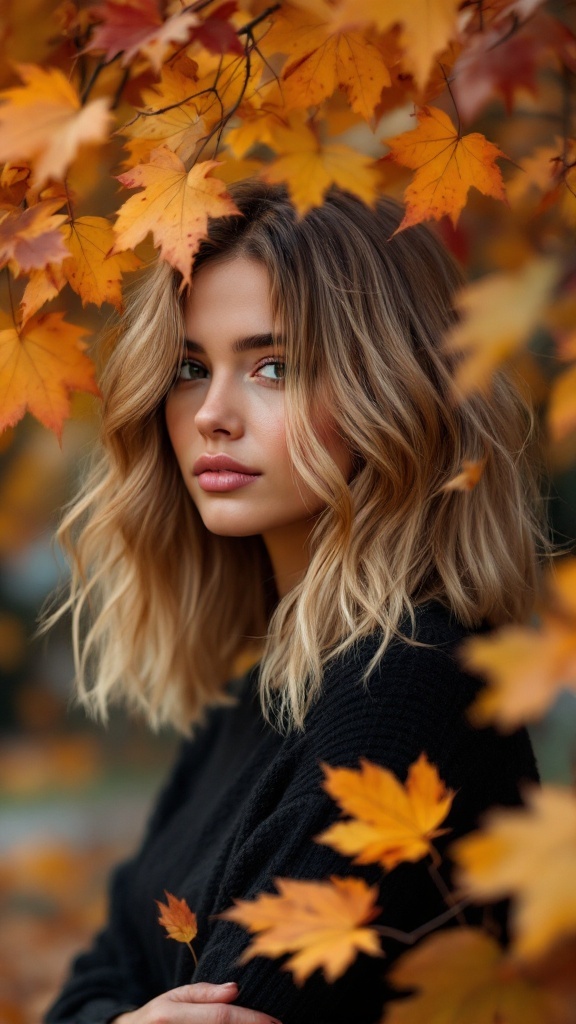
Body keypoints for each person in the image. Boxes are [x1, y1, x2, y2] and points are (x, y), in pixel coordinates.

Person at [44, 182, 546, 1024]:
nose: (210, 414)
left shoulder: (401, 688)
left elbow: (239, 1001)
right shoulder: (266, 687)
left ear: (388, 389)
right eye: (190, 369)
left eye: (273, 367)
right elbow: (100, 970)